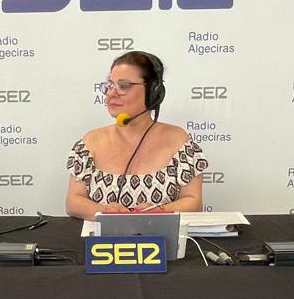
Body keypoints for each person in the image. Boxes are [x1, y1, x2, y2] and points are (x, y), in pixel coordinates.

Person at [65, 50, 207, 217]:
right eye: (109, 85)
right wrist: (104, 212)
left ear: (153, 92)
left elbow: (193, 201)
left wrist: (159, 212)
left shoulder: (179, 142)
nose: (111, 93)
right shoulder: (90, 142)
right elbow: (73, 201)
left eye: (123, 85)